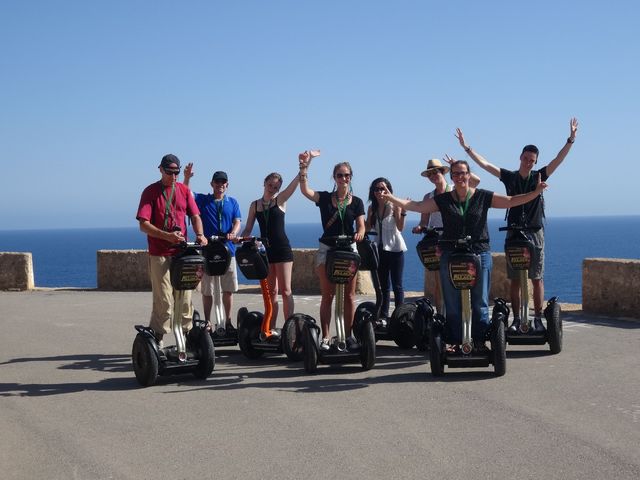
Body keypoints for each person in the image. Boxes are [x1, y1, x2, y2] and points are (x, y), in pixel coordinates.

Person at [380, 160, 547, 350]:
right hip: (451, 254)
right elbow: (417, 205)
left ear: (469, 175)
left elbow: (510, 201)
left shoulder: (483, 196)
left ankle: (478, 341)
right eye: (456, 174)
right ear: (452, 176)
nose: (460, 177)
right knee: (452, 302)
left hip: (479, 252)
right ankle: (454, 340)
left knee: (480, 302)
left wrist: (535, 193)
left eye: (463, 173)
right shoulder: (443, 200)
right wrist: (392, 198)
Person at [455, 118, 578, 332]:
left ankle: (538, 317)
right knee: (514, 279)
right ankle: (515, 320)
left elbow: (558, 160)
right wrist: (467, 147)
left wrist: (570, 140)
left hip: (534, 231)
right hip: (513, 231)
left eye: (532, 160)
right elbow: (485, 165)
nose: (529, 162)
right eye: (526, 158)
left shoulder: (539, 176)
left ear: (535, 161)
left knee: (536, 277)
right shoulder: (510, 177)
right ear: (520, 157)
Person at [136, 154, 208, 348]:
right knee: (165, 299)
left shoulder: (184, 190)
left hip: (181, 252)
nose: (174, 176)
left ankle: (185, 338)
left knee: (185, 298)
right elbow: (144, 225)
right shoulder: (150, 192)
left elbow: (195, 216)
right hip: (160, 253)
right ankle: (157, 338)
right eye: (170, 172)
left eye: (177, 173)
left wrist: (200, 234)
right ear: (161, 169)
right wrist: (167, 236)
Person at [298, 150, 366, 351]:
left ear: (350, 177)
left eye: (346, 175)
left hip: (348, 249)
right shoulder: (326, 198)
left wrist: (360, 233)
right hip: (328, 248)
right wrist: (304, 166)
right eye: (339, 175)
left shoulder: (358, 201)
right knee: (327, 296)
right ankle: (326, 336)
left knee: (349, 296)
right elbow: (305, 190)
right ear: (334, 178)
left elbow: (361, 225)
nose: (343, 178)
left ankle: (348, 335)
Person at [411, 157, 481, 312]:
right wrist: (419, 227)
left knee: (459, 278)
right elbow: (424, 221)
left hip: (456, 240)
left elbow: (476, 181)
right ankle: (441, 314)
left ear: (443, 172)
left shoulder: (454, 190)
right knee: (440, 281)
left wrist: (456, 167)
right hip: (437, 242)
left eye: (436, 172)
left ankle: (461, 314)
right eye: (430, 174)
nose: (433, 176)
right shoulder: (428, 197)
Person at [240, 168, 300, 335]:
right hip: (266, 252)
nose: (272, 189)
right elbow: (248, 229)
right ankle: (271, 327)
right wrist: (241, 238)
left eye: (276, 187)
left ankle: (290, 328)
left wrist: (303, 167)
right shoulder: (255, 205)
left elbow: (293, 187)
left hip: (282, 250)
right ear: (264, 184)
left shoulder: (279, 201)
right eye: (270, 185)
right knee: (271, 292)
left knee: (286, 290)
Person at [183, 165, 241, 333]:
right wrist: (187, 178)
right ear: (212, 184)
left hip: (227, 250)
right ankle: (208, 322)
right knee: (207, 290)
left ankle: (228, 322)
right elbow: (187, 194)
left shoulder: (232, 202)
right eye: (217, 182)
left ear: (227, 185)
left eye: (223, 182)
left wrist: (233, 233)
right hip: (208, 251)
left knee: (228, 290)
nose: (220, 185)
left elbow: (237, 221)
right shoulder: (203, 200)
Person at [365, 177, 407, 319]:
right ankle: (383, 316)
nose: (379, 191)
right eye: (376, 189)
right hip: (380, 250)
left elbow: (400, 227)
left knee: (397, 286)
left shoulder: (395, 205)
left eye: (383, 188)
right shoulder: (372, 208)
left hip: (395, 249)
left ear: (388, 189)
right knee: (383, 287)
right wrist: (367, 217)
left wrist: (403, 211)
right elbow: (367, 228)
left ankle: (400, 317)